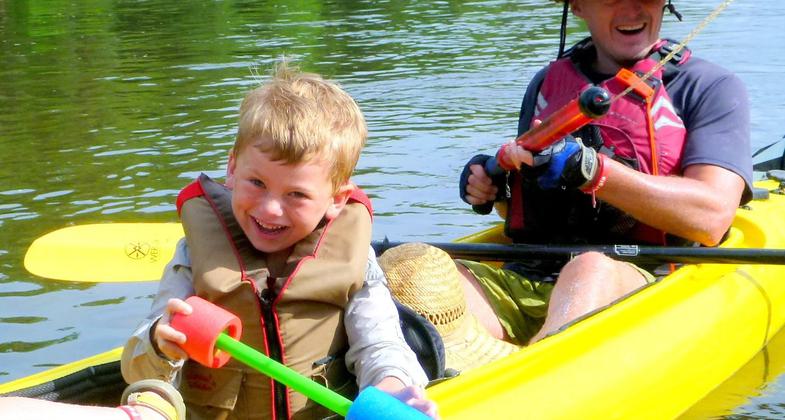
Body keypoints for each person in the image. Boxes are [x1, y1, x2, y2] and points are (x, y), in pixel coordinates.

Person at [121, 61, 437, 419]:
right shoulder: (194, 255)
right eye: (256, 183)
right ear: (232, 168)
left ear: (336, 199)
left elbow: (381, 345)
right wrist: (160, 344)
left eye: (297, 195)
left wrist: (391, 387)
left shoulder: (355, 260)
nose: (270, 210)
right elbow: (137, 368)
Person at [454, 0, 752, 345]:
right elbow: (526, 212)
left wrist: (592, 170)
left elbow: (712, 218)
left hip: (644, 275)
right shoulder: (546, 83)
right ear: (578, 6)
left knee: (589, 268)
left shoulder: (710, 86)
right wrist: (496, 186)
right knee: (422, 268)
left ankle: (541, 366)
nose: (633, 9)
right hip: (529, 276)